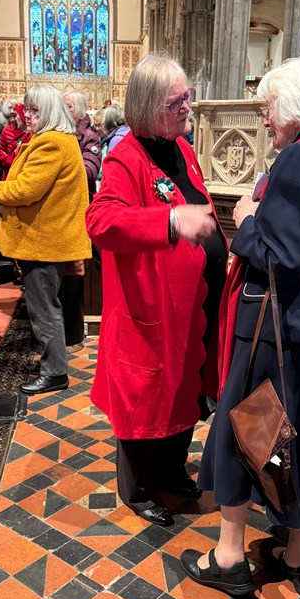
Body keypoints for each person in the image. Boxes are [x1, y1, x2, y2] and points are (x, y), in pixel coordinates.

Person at [181, 54, 300, 599]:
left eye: (271, 106)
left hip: (278, 325)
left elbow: (280, 258)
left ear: (298, 107)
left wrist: (246, 220)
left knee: (251, 429)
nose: (265, 118)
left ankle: (229, 556)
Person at [85, 52, 227, 527]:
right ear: (148, 106)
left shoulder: (183, 148)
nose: (188, 106)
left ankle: (171, 471)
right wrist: (168, 221)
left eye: (188, 96)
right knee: (145, 402)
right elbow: (101, 221)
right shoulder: (125, 158)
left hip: (191, 309)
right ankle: (139, 488)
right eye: (175, 101)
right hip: (150, 311)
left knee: (185, 393)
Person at [0, 85, 91, 395]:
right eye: (26, 109)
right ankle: (51, 362)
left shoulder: (51, 143)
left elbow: (24, 190)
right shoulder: (53, 140)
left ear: (51, 112)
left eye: (34, 110)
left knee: (44, 310)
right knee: (45, 306)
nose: (27, 115)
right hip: (45, 238)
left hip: (45, 241)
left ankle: (55, 372)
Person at [64, 91, 101, 199]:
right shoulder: (60, 131)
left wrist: (60, 170)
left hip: (79, 197)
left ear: (79, 110)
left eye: (68, 106)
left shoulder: (89, 136)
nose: (63, 110)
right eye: (61, 106)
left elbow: (90, 171)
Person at [0, 102, 31, 179]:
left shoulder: (30, 137)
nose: (14, 119)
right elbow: (3, 153)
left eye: (15, 115)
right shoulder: (7, 130)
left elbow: (14, 163)